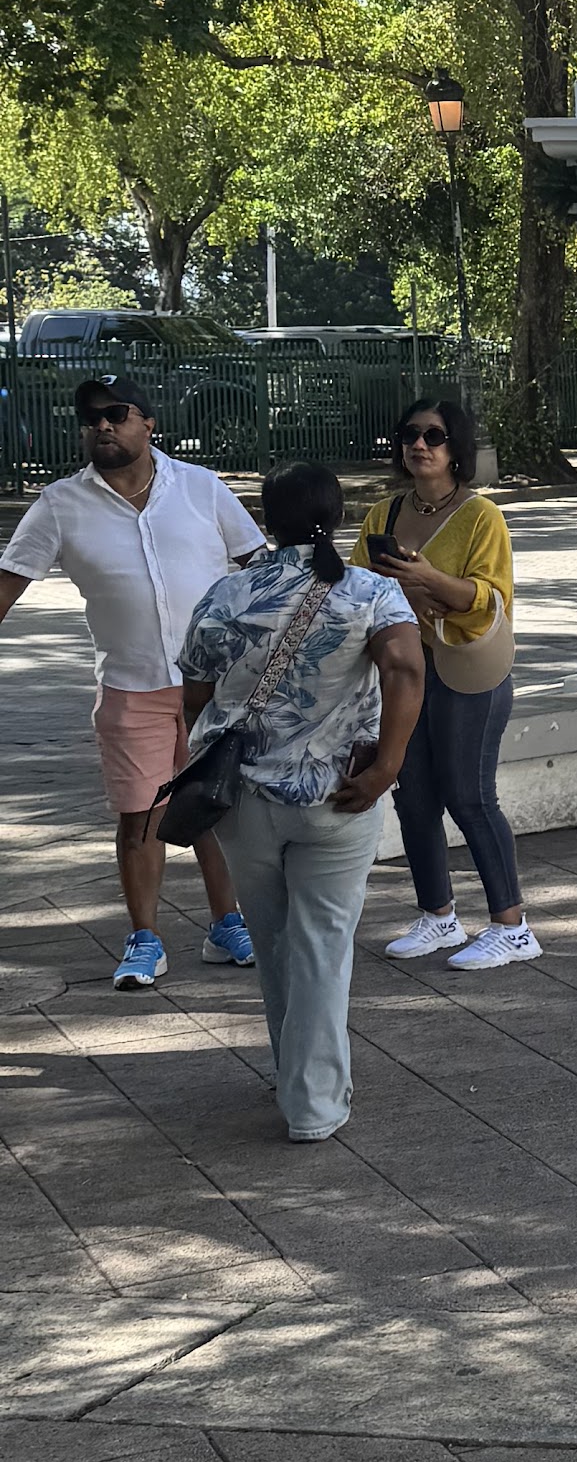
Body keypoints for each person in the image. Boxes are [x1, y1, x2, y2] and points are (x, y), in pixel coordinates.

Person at [174, 462, 422, 1145]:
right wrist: (388, 765)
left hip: (241, 800)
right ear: (338, 518)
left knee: (275, 939)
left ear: (266, 521)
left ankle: (295, 1074)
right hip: (339, 796)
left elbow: (194, 694)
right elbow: (405, 667)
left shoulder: (226, 594)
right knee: (322, 945)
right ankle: (312, 1104)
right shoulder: (370, 591)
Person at [0, 377, 264, 990]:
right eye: (90, 416)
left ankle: (227, 924)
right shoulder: (60, 504)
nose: (102, 424)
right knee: (139, 816)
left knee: (218, 806)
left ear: (148, 423)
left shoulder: (200, 487)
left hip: (215, 687)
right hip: (130, 686)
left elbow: (261, 569)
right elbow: (8, 584)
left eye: (116, 413)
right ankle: (145, 939)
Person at [353, 390, 536, 968]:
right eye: (410, 435)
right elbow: (358, 587)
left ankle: (513, 926)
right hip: (406, 669)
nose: (419, 445)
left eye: (433, 436)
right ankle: (438, 916)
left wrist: (429, 580)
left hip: (467, 668)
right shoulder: (383, 514)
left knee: (469, 795)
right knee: (413, 796)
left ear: (456, 448)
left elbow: (489, 595)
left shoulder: (481, 515)